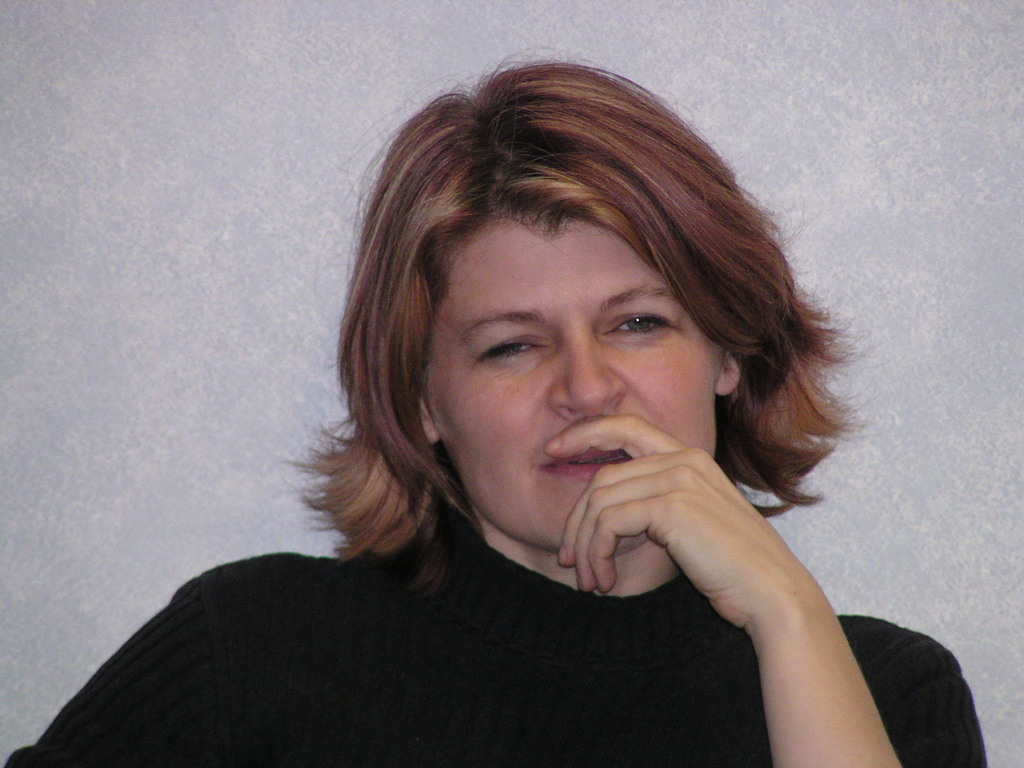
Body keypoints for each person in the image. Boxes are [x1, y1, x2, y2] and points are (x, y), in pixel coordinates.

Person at [7, 62, 984, 767]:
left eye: (638, 323)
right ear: (421, 398)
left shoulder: (884, 693)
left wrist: (786, 612)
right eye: (512, 345)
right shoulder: (253, 646)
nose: (586, 389)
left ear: (729, 352)